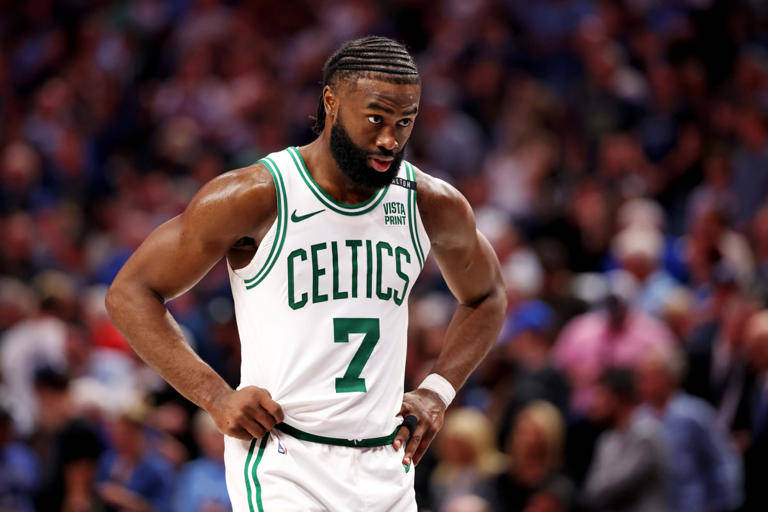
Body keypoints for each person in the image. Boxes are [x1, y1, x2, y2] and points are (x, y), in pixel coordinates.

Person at [105, 36, 506, 511]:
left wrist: (437, 391)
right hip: (282, 458)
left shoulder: (429, 202)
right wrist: (215, 396)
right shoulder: (256, 194)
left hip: (385, 462)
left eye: (405, 122)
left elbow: (489, 296)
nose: (390, 139)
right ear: (331, 102)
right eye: (376, 119)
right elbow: (131, 292)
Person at [635, 347, 742, 512]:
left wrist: (720, 503)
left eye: (649, 377)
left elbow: (722, 459)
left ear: (668, 377)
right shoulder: (638, 418)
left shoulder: (696, 414)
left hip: (692, 504)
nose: (642, 383)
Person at [582, 367, 669, 512]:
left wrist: (595, 490)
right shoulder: (607, 439)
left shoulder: (646, 434)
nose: (594, 404)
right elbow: (591, 490)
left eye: (601, 396)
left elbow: (609, 488)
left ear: (619, 398)